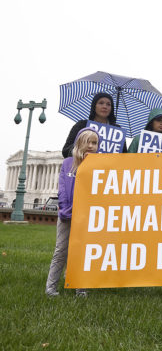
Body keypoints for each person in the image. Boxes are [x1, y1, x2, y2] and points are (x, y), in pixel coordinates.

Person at [46, 127, 100, 297]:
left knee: (82, 252)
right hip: (66, 215)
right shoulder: (67, 163)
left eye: (95, 143)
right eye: (87, 142)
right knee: (60, 251)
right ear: (78, 143)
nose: (91, 146)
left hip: (87, 217)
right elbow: (62, 189)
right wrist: (66, 208)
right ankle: (50, 288)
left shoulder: (99, 165)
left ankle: (80, 288)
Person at [62, 92, 127, 158]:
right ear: (94, 106)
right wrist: (81, 151)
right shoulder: (82, 125)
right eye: (101, 103)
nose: (105, 106)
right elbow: (65, 151)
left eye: (108, 104)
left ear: (111, 108)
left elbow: (124, 156)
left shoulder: (118, 131)